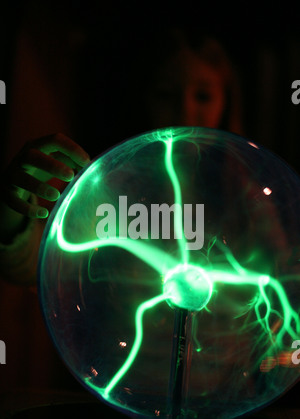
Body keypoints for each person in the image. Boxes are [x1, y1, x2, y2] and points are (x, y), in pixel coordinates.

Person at [0, 26, 244, 391]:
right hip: (121, 395)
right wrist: (11, 205)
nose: (185, 109)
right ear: (143, 97)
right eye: (166, 94)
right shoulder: (110, 189)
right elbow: (32, 264)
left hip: (219, 401)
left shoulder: (249, 199)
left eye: (204, 95)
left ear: (226, 103)